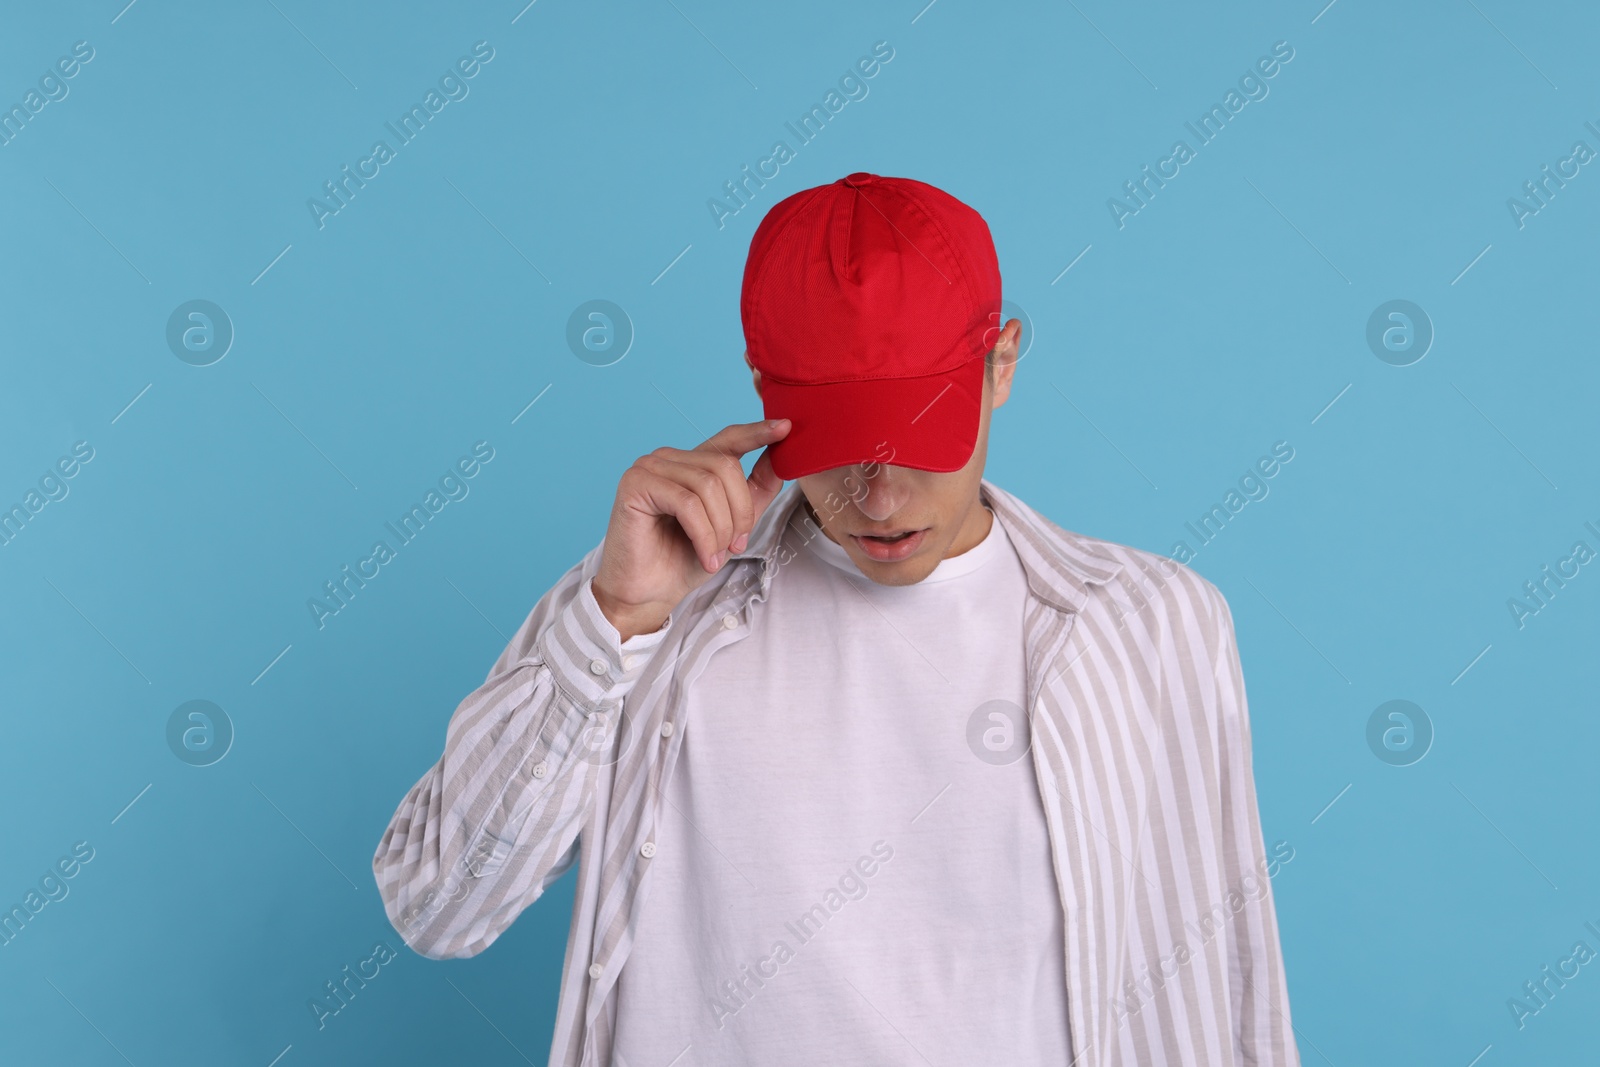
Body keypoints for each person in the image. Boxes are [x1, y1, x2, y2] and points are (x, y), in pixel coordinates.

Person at [373, 172, 1299, 1066]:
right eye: (844, 440)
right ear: (766, 394)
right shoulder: (646, 608)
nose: (881, 494)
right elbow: (438, 905)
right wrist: (614, 617)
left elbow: (1229, 995)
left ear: (1001, 365)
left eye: (919, 432)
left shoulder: (1149, 627)